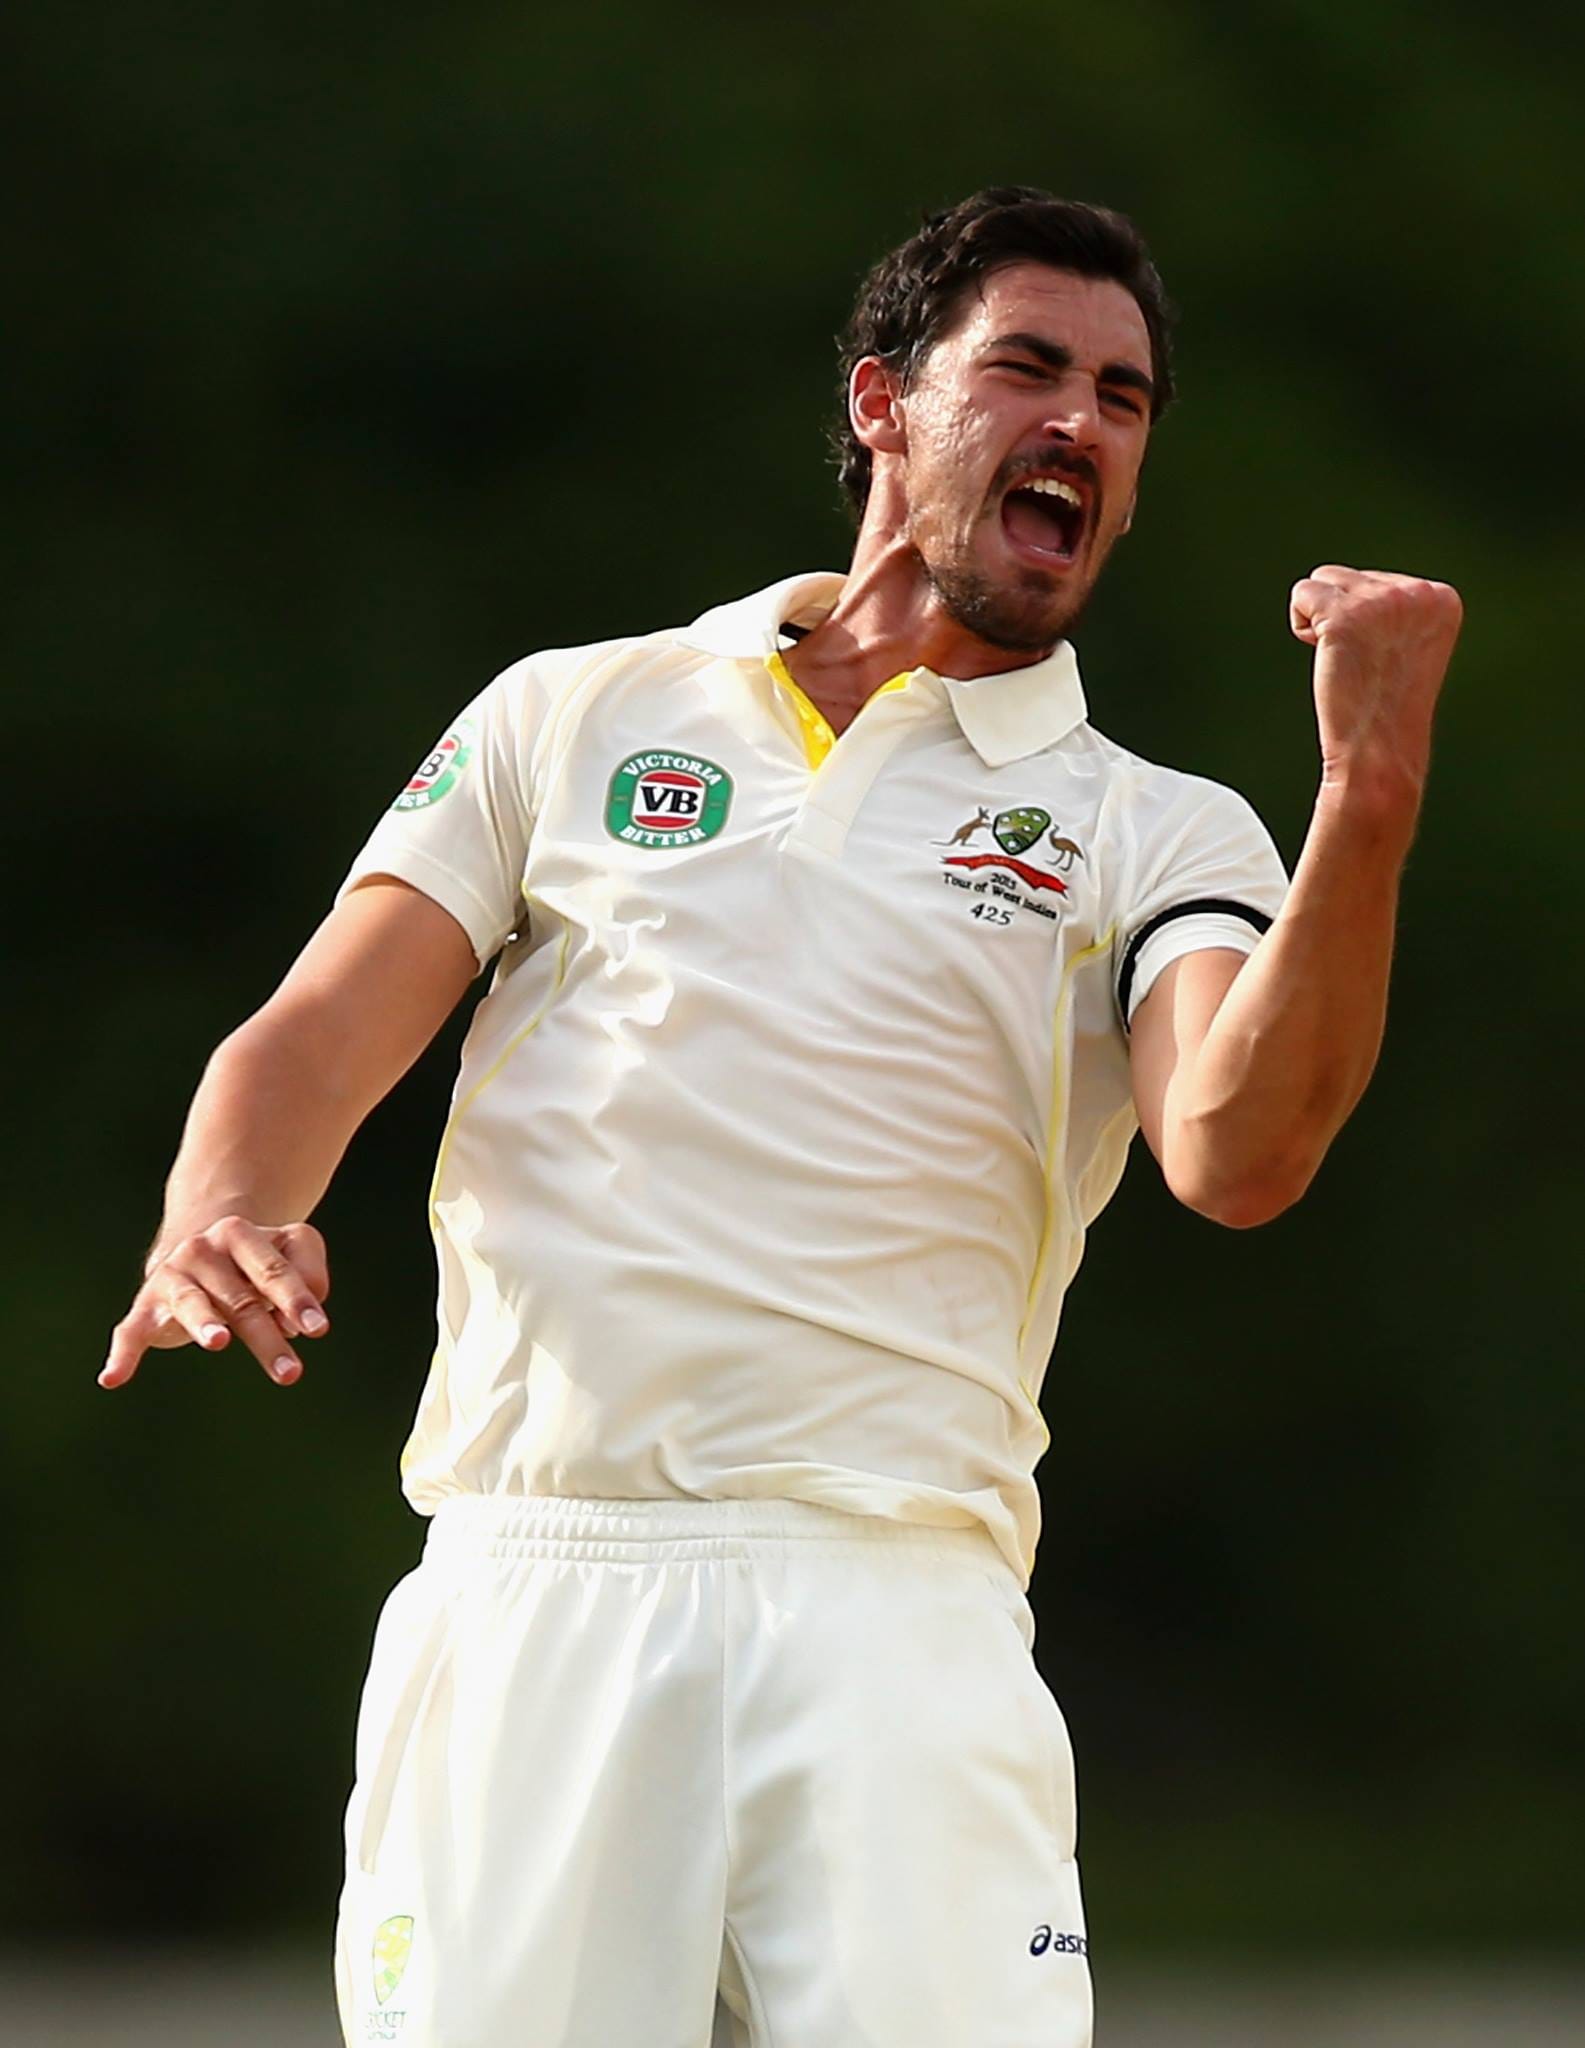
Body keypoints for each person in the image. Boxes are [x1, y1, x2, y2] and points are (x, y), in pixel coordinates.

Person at [102, 186, 1462, 2047]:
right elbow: (313, 1033)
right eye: (1029, 368)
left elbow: (1238, 1154)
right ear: (883, 401)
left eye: (1124, 397)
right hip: (537, 1581)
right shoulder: (574, 712)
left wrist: (1366, 794)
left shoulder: (1153, 827)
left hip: (895, 1608)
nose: (1081, 421)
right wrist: (219, 1209)